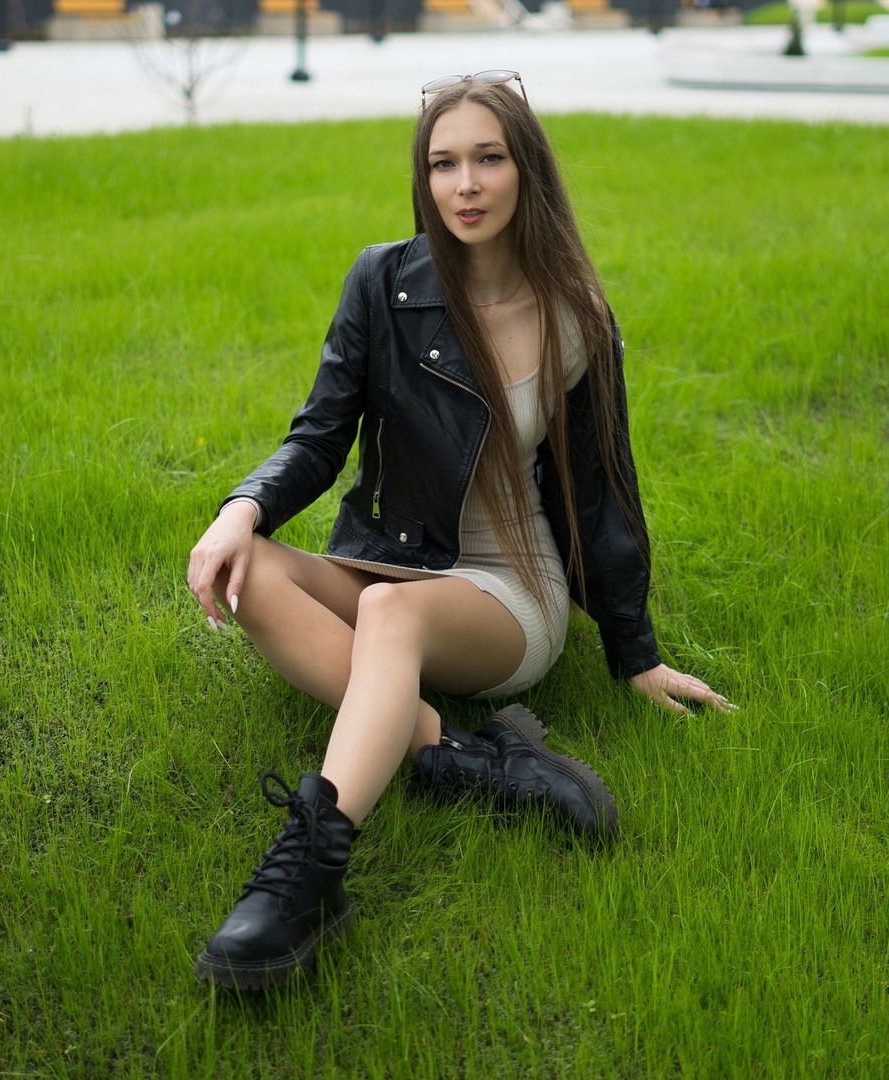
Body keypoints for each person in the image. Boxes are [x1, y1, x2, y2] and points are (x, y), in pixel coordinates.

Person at [182, 71, 733, 991]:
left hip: (507, 593)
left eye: (488, 159)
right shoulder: (382, 282)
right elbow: (320, 436)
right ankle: (466, 756)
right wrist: (241, 510)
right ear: (424, 178)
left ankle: (307, 875)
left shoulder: (575, 317)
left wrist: (635, 655)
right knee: (254, 577)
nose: (466, 185)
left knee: (392, 623)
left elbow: (602, 495)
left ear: (527, 171)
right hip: (395, 564)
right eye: (444, 164)